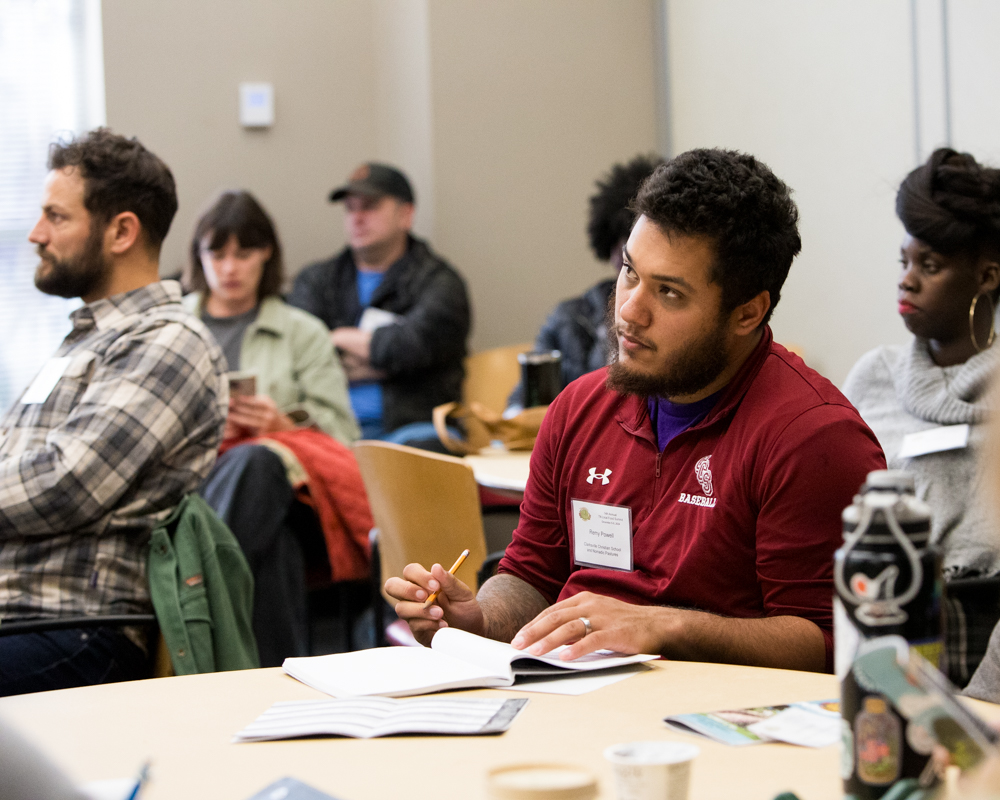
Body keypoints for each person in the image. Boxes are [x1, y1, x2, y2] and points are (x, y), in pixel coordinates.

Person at [386, 148, 886, 673]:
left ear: (747, 313)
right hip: (575, 696)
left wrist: (665, 626)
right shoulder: (580, 408)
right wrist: (479, 620)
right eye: (630, 272)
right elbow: (533, 575)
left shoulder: (814, 438)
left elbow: (834, 646)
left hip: (711, 712)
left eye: (668, 293)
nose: (629, 310)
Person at [0, 129, 228, 696]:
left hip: (72, 628)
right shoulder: (84, 341)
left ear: (122, 231)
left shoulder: (168, 341)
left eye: (56, 217)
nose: (36, 234)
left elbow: (66, 484)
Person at [183, 190, 370, 667]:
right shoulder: (173, 328)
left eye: (243, 253)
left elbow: (345, 437)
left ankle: (198, 604)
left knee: (259, 460)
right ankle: (273, 678)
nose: (230, 268)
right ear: (198, 257)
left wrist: (285, 423)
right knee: (276, 543)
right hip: (190, 485)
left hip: (289, 490)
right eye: (217, 254)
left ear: (266, 254)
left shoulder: (301, 331)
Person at [843, 148, 1000, 688]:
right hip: (878, 622)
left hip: (986, 647)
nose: (906, 281)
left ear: (986, 276)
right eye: (904, 262)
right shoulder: (874, 376)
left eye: (928, 266)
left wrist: (982, 704)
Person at [287, 163, 471, 449]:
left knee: (426, 451)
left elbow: (413, 346)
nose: (357, 218)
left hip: (413, 430)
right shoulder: (315, 280)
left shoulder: (439, 282)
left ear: (405, 215)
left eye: (370, 207)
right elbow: (297, 352)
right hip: (329, 433)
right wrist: (393, 364)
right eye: (350, 208)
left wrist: (337, 338)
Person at [507, 155, 664, 410]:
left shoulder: (671, 324)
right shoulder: (568, 318)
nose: (633, 260)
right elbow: (521, 403)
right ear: (610, 248)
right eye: (626, 252)